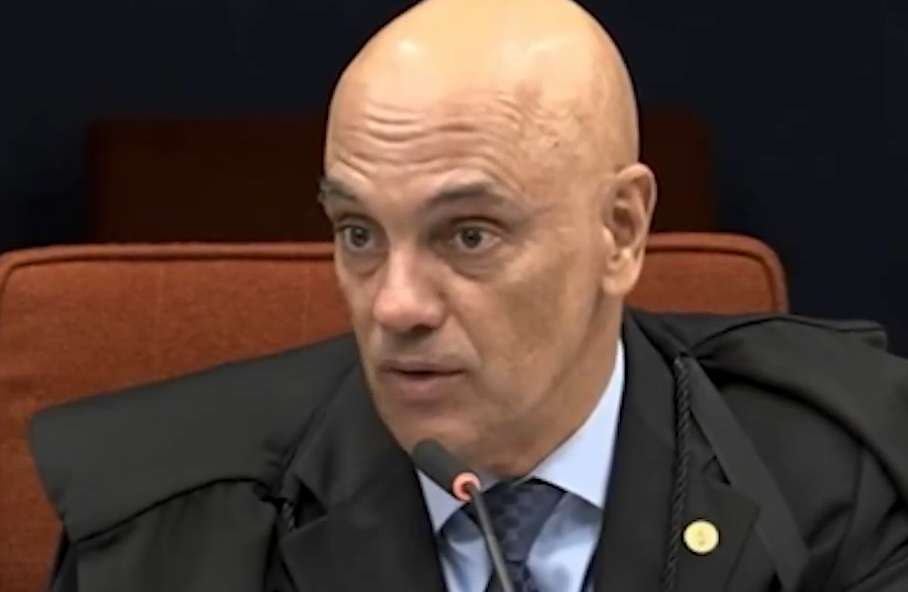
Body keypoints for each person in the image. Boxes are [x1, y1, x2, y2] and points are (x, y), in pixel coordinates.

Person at [29, 0, 908, 590]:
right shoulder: (165, 534)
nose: (394, 306)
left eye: (469, 235)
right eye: (359, 233)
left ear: (620, 231)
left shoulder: (835, 483)